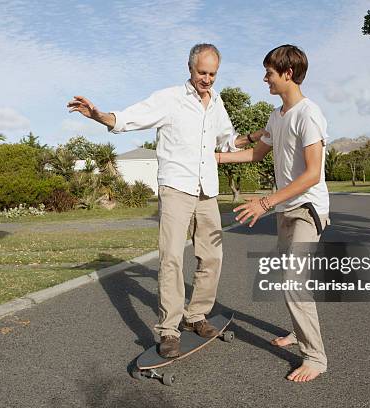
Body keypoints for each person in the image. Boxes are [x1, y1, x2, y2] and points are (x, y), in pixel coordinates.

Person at [67, 43, 265, 358]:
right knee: (172, 258)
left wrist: (253, 137)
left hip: (207, 190)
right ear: (190, 69)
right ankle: (169, 330)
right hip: (176, 187)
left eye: (213, 74)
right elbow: (131, 118)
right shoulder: (170, 99)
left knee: (212, 257)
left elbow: (226, 140)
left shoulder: (216, 103)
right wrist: (98, 116)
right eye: (202, 72)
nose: (208, 79)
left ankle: (196, 315)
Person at [217, 44, 330, 382]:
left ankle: (316, 358)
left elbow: (312, 173)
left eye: (269, 71)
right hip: (286, 209)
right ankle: (299, 331)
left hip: (308, 209)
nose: (264, 77)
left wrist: (264, 202)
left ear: (288, 73)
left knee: (295, 283)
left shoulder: (309, 114)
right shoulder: (277, 115)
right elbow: (255, 154)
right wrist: (215, 158)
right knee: (290, 280)